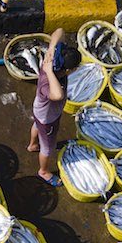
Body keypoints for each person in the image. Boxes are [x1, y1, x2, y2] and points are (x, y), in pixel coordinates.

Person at [26, 28, 82, 187]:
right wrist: (50, 73)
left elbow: (60, 31)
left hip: (40, 113)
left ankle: (32, 145)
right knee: (48, 149)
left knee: (36, 125)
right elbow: (57, 95)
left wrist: (52, 48)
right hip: (48, 119)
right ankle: (43, 171)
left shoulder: (52, 59)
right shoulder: (47, 82)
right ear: (67, 70)